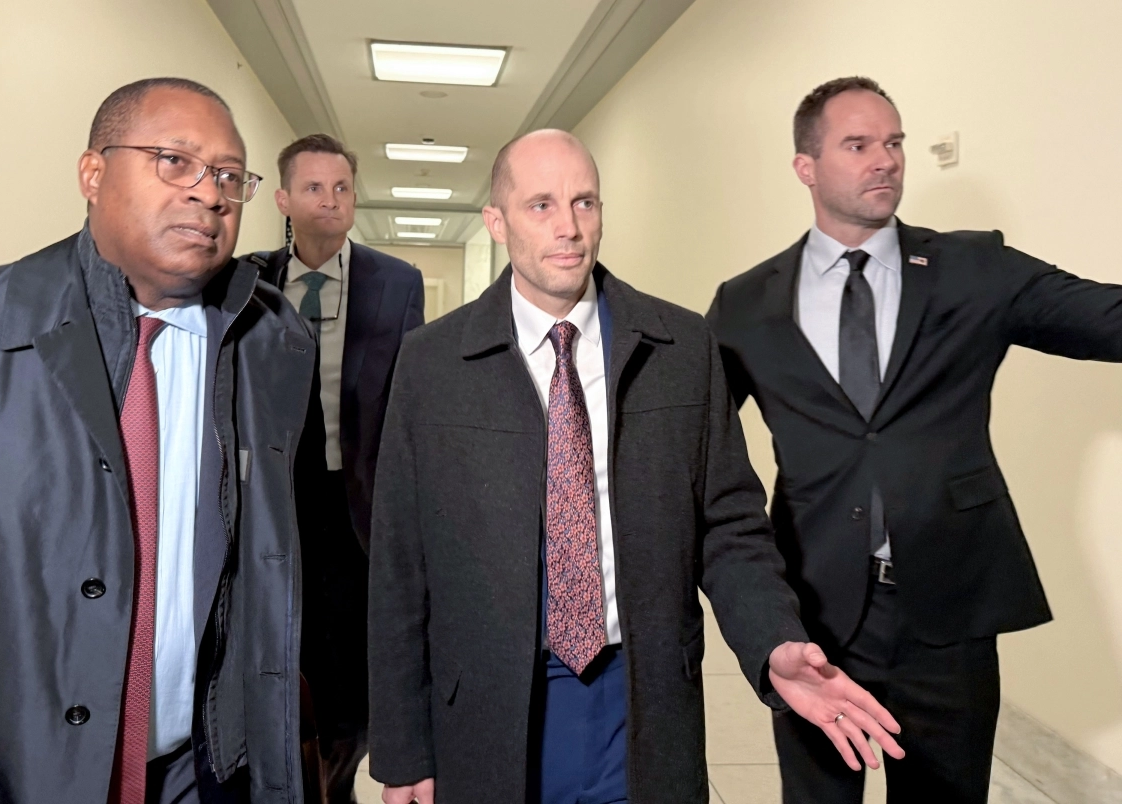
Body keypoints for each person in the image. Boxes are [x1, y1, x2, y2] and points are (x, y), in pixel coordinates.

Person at [367, 129, 904, 804]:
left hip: (643, 702)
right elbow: (400, 564)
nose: (568, 227)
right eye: (541, 205)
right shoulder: (432, 364)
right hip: (489, 710)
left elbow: (730, 526)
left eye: (584, 202)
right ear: (497, 222)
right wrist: (403, 750)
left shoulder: (681, 348)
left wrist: (774, 641)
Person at [706, 76, 1122, 803]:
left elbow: (1107, 318)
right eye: (857, 144)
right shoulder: (746, 303)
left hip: (948, 611)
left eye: (894, 142)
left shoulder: (973, 268)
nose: (886, 159)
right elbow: (694, 437)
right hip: (815, 610)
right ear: (805, 166)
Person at [0, 77, 328, 803]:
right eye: (175, 161)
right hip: (7, 775)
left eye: (229, 176)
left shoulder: (275, 343)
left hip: (200, 773)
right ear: (93, 173)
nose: (209, 194)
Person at [238, 132, 424, 804]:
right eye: (314, 187)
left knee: (350, 656)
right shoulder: (246, 281)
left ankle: (338, 774)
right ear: (283, 199)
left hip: (357, 502)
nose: (330, 200)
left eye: (342, 187)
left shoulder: (395, 282)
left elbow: (408, 396)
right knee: (286, 647)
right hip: (273, 502)